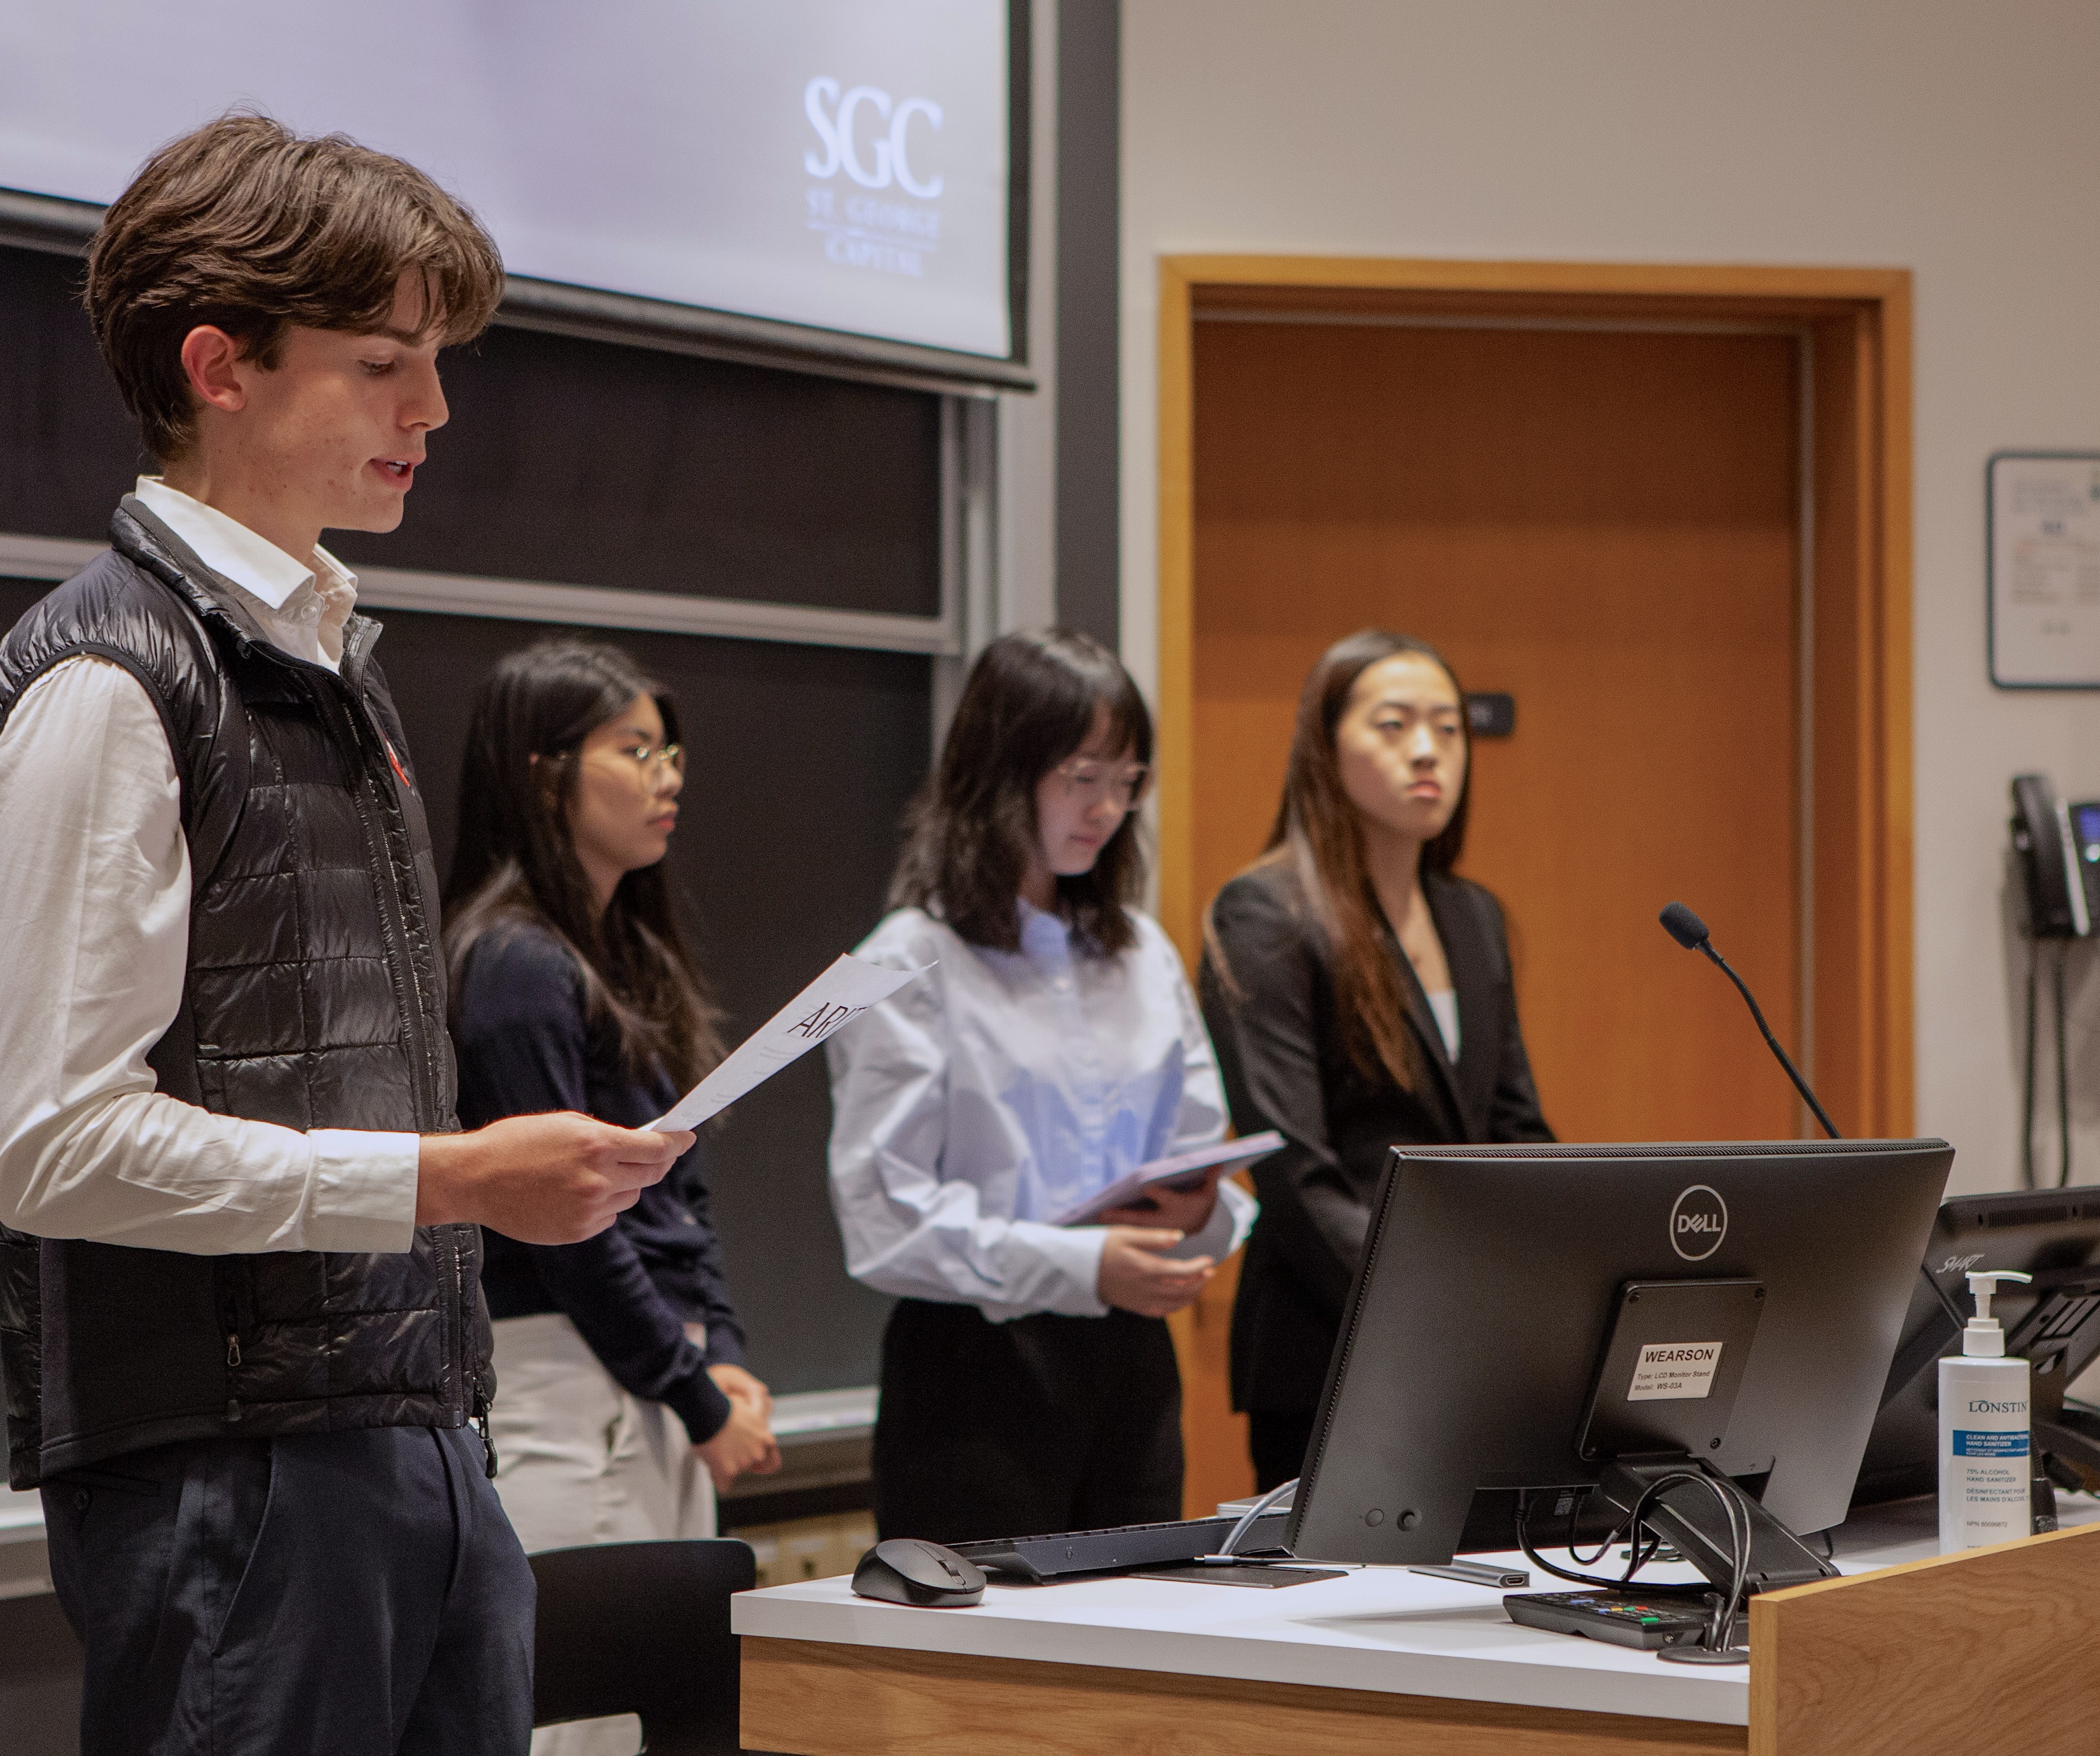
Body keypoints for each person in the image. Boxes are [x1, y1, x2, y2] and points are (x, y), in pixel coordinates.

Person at [0, 115, 690, 1755]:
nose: (432, 410)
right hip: (236, 1470)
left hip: (414, 1435)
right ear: (219, 365)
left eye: (431, 361)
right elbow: (58, 1144)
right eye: (382, 363)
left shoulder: (327, 661)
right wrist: (451, 1177)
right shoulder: (106, 679)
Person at [826, 629, 1257, 1544]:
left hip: (1133, 1363)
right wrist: (1080, 1261)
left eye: (1128, 780)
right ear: (1001, 770)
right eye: (1082, 775)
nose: (1108, 808)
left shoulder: (1140, 952)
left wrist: (1196, 1218)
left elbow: (1210, 1163)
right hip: (976, 1373)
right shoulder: (911, 958)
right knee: (986, 1675)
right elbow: (884, 1218)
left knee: (1134, 1654)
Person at [444, 637, 782, 1567]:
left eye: (669, 752)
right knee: (577, 1712)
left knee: (655, 1705)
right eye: (635, 751)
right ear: (544, 774)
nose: (667, 776)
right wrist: (701, 1395)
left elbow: (681, 1189)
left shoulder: (625, 955)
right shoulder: (514, 964)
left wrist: (725, 1353)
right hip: (564, 1380)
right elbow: (572, 1230)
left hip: (656, 1377)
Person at [1198, 628, 1555, 1493]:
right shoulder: (1266, 914)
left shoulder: (1471, 916)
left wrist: (1561, 1279)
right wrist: (1445, 1307)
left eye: (1448, 726)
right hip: (1334, 1345)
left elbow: (1515, 1129)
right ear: (1326, 748)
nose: (1427, 750)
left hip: (1472, 1351)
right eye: (1393, 726)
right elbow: (1298, 1173)